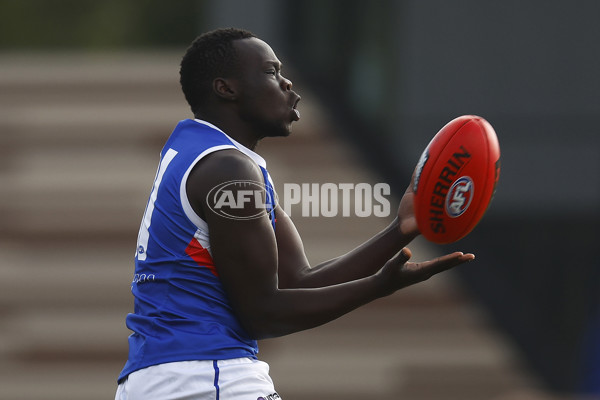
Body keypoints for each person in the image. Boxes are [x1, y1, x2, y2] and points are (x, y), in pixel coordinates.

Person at [115, 27, 474, 400]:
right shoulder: (229, 171)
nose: (288, 84)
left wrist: (402, 229)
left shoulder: (208, 155)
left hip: (168, 377)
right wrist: (379, 285)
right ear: (226, 88)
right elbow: (264, 313)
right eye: (271, 72)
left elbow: (298, 281)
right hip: (205, 378)